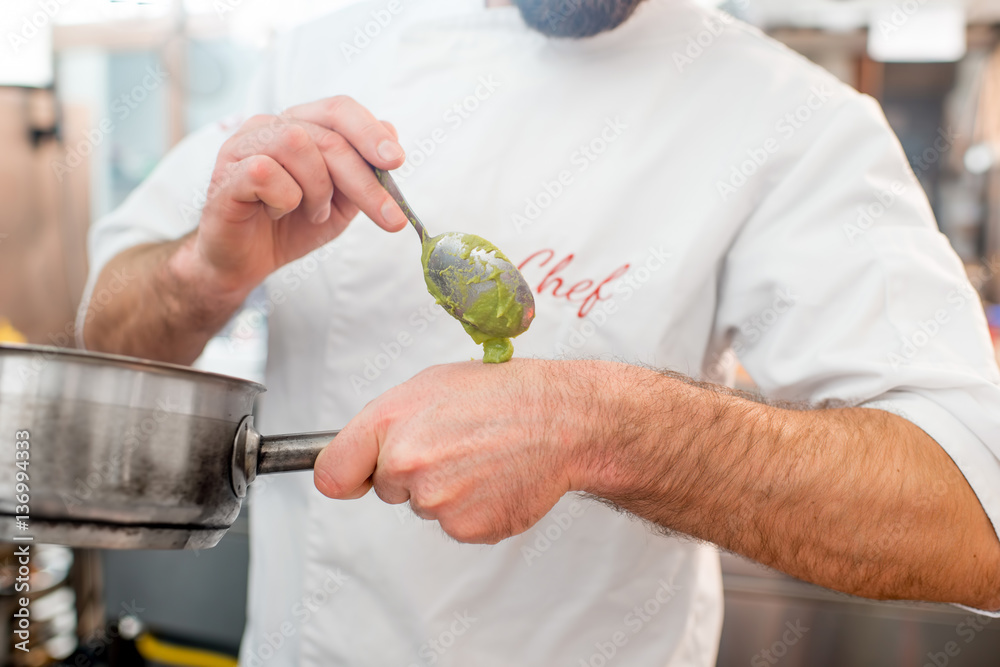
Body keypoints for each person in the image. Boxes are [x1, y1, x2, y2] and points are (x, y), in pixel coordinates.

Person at [78, 0, 1000, 664]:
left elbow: (973, 518)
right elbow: (108, 347)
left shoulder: (792, 121)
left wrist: (599, 425)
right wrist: (209, 272)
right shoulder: (318, 54)